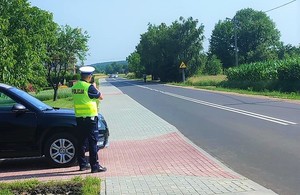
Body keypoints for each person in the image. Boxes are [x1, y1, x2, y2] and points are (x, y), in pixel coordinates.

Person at [71, 66, 107, 173]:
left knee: (81, 141)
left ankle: (82, 165)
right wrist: (95, 87)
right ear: (89, 76)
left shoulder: (75, 87)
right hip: (90, 118)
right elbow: (101, 97)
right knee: (93, 142)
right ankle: (94, 166)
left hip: (79, 118)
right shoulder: (89, 87)